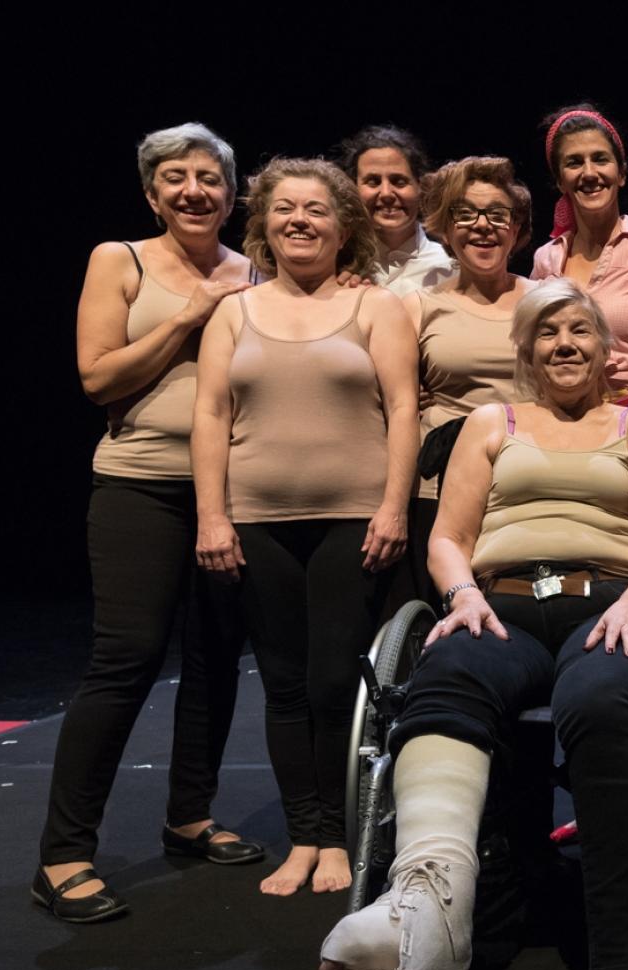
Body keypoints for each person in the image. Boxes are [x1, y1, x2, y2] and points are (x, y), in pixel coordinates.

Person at [317, 281, 628, 970]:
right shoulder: (491, 422)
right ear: (526, 350)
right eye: (547, 332)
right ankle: (427, 919)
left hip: (608, 603)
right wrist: (462, 595)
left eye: (579, 329)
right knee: (445, 676)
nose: (565, 344)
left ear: (605, 347)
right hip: (500, 603)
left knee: (605, 704)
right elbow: (448, 536)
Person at [35, 122, 262, 924]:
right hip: (139, 484)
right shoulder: (120, 260)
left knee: (215, 658)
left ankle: (190, 814)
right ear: (151, 193)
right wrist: (187, 317)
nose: (194, 190)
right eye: (176, 178)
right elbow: (98, 378)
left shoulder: (256, 270)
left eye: (209, 178)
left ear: (231, 196)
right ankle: (63, 854)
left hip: (233, 491)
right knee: (126, 658)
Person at [191, 158, 419, 897]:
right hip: (258, 519)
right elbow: (210, 416)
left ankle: (344, 836)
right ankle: (305, 835)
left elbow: (404, 410)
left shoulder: (376, 306)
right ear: (263, 222)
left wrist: (393, 506)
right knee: (285, 685)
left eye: (316, 209)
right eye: (284, 207)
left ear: (343, 226)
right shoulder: (235, 311)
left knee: (335, 681)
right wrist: (212, 516)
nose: (299, 220)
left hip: (354, 519)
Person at [401, 156, 536, 607]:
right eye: (465, 214)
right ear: (445, 226)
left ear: (516, 229)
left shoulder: (547, 301)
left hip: (526, 481)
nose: (482, 226)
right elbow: (395, 404)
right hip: (439, 487)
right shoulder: (417, 307)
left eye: (497, 214)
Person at [530, 104, 628, 409]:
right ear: (560, 181)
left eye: (600, 159)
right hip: (561, 420)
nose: (589, 173)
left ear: (621, 173)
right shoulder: (545, 259)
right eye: (574, 162)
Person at [339, 125, 455, 295]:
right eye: (373, 182)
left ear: (420, 187)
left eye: (399, 181)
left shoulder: (452, 268)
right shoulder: (338, 266)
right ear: (354, 189)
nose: (386, 194)